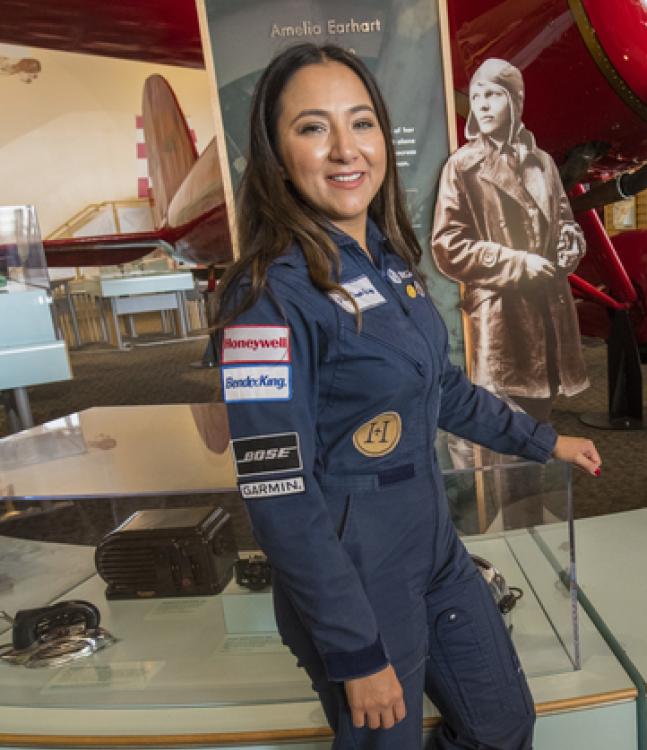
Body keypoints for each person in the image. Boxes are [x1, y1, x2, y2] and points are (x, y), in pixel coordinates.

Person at [215, 43, 601, 750]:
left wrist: (543, 440)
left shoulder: (390, 264)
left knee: (503, 724)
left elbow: (443, 388)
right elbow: (278, 494)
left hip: (431, 545)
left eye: (360, 123)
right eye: (311, 127)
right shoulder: (265, 300)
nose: (344, 149)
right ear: (274, 152)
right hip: (356, 575)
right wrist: (355, 651)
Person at [431, 58, 588, 424]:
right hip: (502, 320)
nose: (482, 105)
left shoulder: (544, 163)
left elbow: (566, 219)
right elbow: (447, 245)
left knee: (540, 423)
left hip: (551, 315)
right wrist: (517, 263)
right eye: (476, 96)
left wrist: (569, 241)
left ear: (515, 102)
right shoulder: (462, 166)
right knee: (501, 432)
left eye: (493, 95)